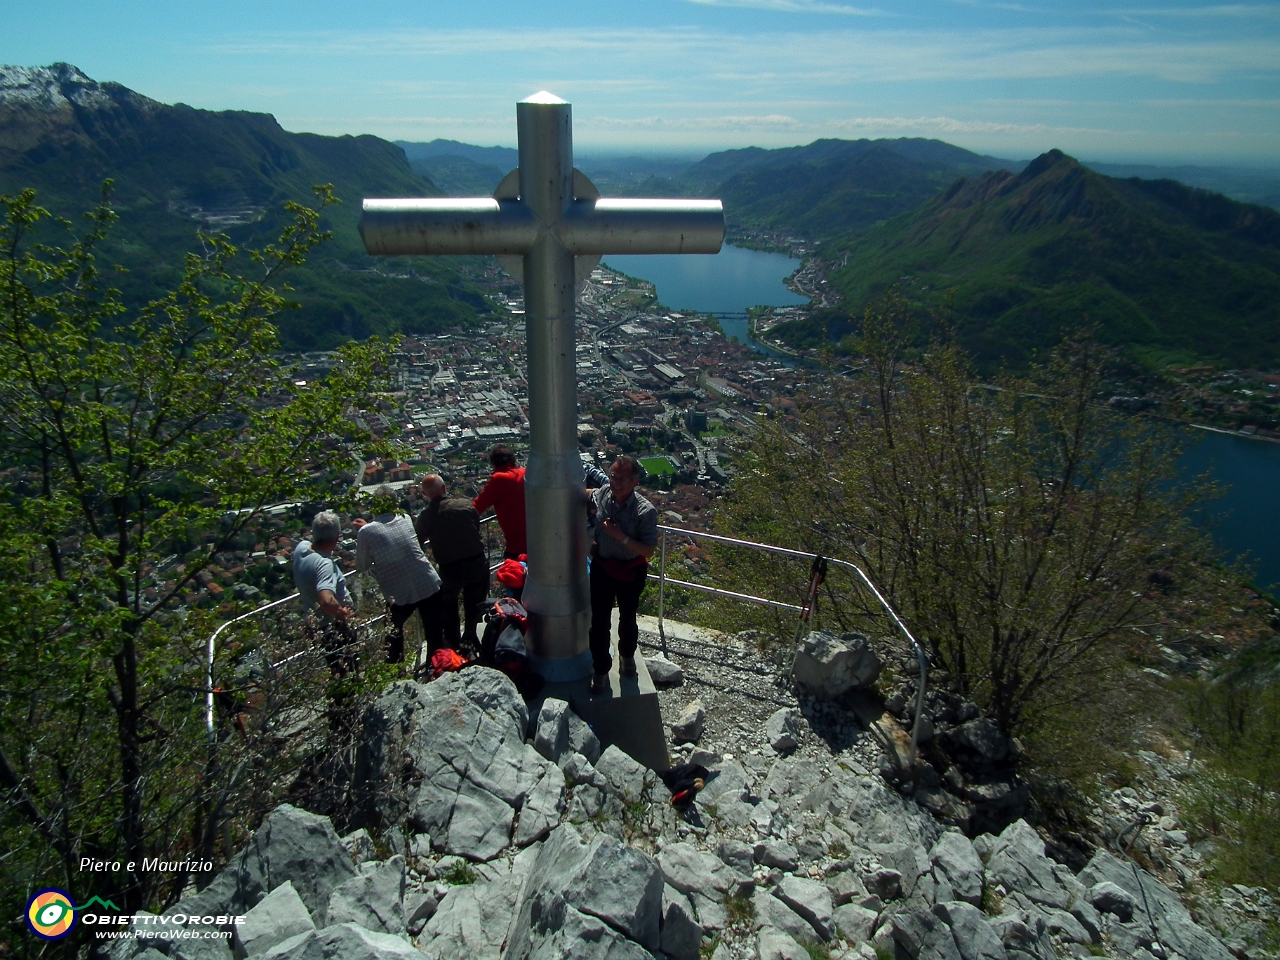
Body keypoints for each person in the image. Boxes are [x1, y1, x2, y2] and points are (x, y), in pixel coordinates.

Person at [587, 456, 658, 694]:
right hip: (602, 567)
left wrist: (621, 537)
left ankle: (627, 656)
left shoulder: (645, 511)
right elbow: (590, 494)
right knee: (598, 622)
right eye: (613, 476)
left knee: (628, 617)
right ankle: (600, 670)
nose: (616, 482)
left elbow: (649, 550)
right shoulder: (605, 493)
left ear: (635, 482)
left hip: (630, 570)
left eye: (622, 479)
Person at [353, 486, 444, 663]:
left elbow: (362, 566)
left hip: (398, 591)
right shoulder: (405, 518)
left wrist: (367, 531)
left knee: (393, 634)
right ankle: (438, 666)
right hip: (427, 581)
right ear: (396, 504)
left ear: (374, 507)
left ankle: (397, 673)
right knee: (434, 632)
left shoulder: (366, 532)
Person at [415, 473, 490, 651]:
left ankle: (453, 643)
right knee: (474, 603)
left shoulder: (426, 516)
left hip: (450, 568)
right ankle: (471, 637)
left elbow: (418, 540)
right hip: (476, 562)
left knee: (448, 606)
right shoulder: (465, 504)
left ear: (425, 495)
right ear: (444, 488)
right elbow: (475, 524)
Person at [293, 510, 356, 674]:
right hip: (333, 628)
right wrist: (341, 613)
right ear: (337, 537)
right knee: (347, 671)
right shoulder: (324, 564)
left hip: (316, 625)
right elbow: (327, 600)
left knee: (336, 670)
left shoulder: (301, 549)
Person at [473, 445, 526, 559]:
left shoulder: (499, 479)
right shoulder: (525, 473)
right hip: (540, 542)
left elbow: (476, 508)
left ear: (493, 463)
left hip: (517, 547)